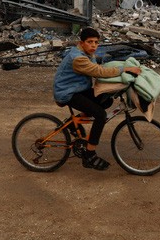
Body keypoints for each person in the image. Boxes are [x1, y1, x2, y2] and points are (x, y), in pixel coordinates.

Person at [53, 27, 141, 170]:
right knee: (100, 115)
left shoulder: (87, 53)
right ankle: (89, 154)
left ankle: (71, 123)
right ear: (81, 43)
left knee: (106, 100)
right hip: (67, 93)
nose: (94, 45)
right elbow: (98, 71)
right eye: (90, 42)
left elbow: (97, 67)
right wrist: (124, 70)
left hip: (78, 89)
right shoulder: (78, 58)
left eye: (96, 42)